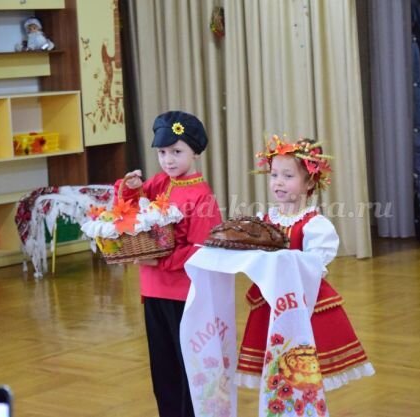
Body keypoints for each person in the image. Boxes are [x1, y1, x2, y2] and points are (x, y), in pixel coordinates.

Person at [237, 135, 375, 390]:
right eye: (274, 175)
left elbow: (313, 266)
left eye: (288, 176)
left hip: (304, 304)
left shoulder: (314, 225)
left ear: (309, 181)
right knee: (275, 373)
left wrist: (280, 259)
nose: (278, 182)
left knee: (302, 371)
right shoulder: (263, 220)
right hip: (270, 302)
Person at [116, 111, 222, 417]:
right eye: (162, 152)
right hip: (153, 291)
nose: (168, 160)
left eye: (177, 152)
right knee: (162, 367)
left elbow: (201, 251)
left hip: (184, 296)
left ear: (194, 152)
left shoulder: (203, 197)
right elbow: (130, 210)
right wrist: (130, 187)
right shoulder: (159, 183)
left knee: (188, 366)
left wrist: (158, 259)